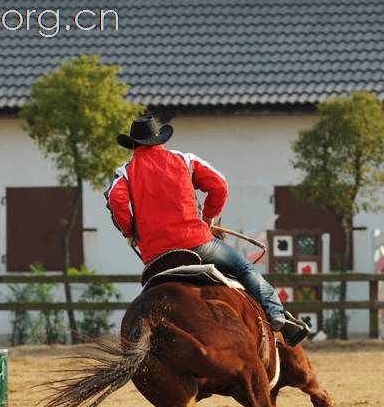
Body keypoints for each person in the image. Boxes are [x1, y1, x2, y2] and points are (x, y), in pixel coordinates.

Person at [104, 115, 308, 346]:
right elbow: (219, 185)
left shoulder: (125, 173)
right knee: (244, 268)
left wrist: (130, 232)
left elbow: (115, 199)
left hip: (157, 255)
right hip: (198, 243)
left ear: (133, 145)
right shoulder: (184, 160)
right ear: (159, 139)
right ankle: (278, 318)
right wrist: (208, 218)